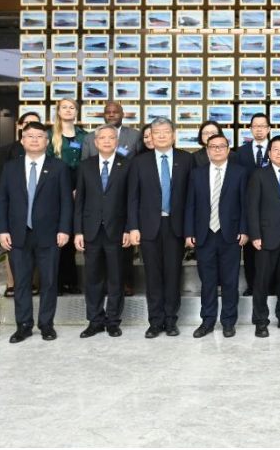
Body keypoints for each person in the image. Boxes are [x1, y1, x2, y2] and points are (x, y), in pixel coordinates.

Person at [0, 122, 73, 343]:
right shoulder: (11, 167)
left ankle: (46, 324)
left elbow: (66, 201)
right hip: (17, 234)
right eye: (30, 136)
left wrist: (64, 229)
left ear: (46, 141)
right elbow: (2, 200)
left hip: (49, 234)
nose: (34, 140)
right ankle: (23, 325)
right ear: (22, 140)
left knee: (49, 281)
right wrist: (2, 230)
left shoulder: (58, 167)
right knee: (21, 282)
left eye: (39, 136)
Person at [127, 117, 194, 338]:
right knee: (153, 275)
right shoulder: (139, 162)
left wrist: (190, 230)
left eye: (166, 131)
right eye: (157, 132)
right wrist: (133, 227)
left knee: (173, 274)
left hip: (175, 226)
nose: (162, 135)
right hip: (148, 226)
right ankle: (155, 321)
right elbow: (133, 197)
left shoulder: (186, 159)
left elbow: (192, 198)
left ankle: (171, 320)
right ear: (151, 137)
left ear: (173, 135)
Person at [185, 133, 249, 338]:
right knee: (208, 281)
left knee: (230, 281)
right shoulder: (197, 174)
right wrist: (189, 232)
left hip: (231, 234)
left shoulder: (240, 172)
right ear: (207, 150)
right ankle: (207, 321)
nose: (218, 150)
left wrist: (244, 229)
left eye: (222, 146)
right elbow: (190, 204)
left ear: (228, 149)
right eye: (213, 146)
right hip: (204, 234)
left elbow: (245, 204)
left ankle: (228, 321)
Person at [73, 126, 132, 338]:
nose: (107, 141)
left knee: (116, 278)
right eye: (102, 138)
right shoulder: (85, 166)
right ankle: (95, 320)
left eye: (111, 138)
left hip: (117, 230)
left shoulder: (127, 164)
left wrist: (129, 228)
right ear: (96, 142)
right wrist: (78, 231)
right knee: (93, 278)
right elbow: (79, 201)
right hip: (91, 230)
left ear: (117, 141)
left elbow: (131, 200)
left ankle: (113, 321)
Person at [247, 137, 280, 336]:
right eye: (275, 149)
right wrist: (255, 234)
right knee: (261, 281)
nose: (279, 153)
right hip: (265, 237)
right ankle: (260, 321)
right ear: (269, 154)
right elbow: (252, 207)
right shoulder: (259, 175)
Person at [0, 111, 41, 298]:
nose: (31, 126)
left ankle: (33, 282)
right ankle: (11, 283)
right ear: (20, 126)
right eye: (27, 123)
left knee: (36, 250)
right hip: (15, 210)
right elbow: (0, 183)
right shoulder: (8, 150)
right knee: (12, 249)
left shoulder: (46, 150)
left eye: (35, 123)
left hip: (38, 210)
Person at [46, 98, 86, 296]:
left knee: (71, 235)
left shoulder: (84, 135)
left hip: (78, 186)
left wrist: (80, 187)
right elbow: (46, 163)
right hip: (55, 187)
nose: (68, 110)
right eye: (64, 107)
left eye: (72, 107)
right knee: (57, 237)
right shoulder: (49, 135)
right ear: (58, 111)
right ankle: (57, 283)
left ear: (76, 112)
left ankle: (71, 280)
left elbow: (88, 162)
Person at [234, 113, 272, 296]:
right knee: (250, 249)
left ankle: (270, 285)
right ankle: (252, 285)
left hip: (272, 207)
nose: (259, 129)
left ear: (269, 129)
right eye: (255, 126)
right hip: (249, 206)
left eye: (262, 126)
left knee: (271, 247)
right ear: (250, 129)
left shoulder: (276, 149)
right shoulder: (241, 152)